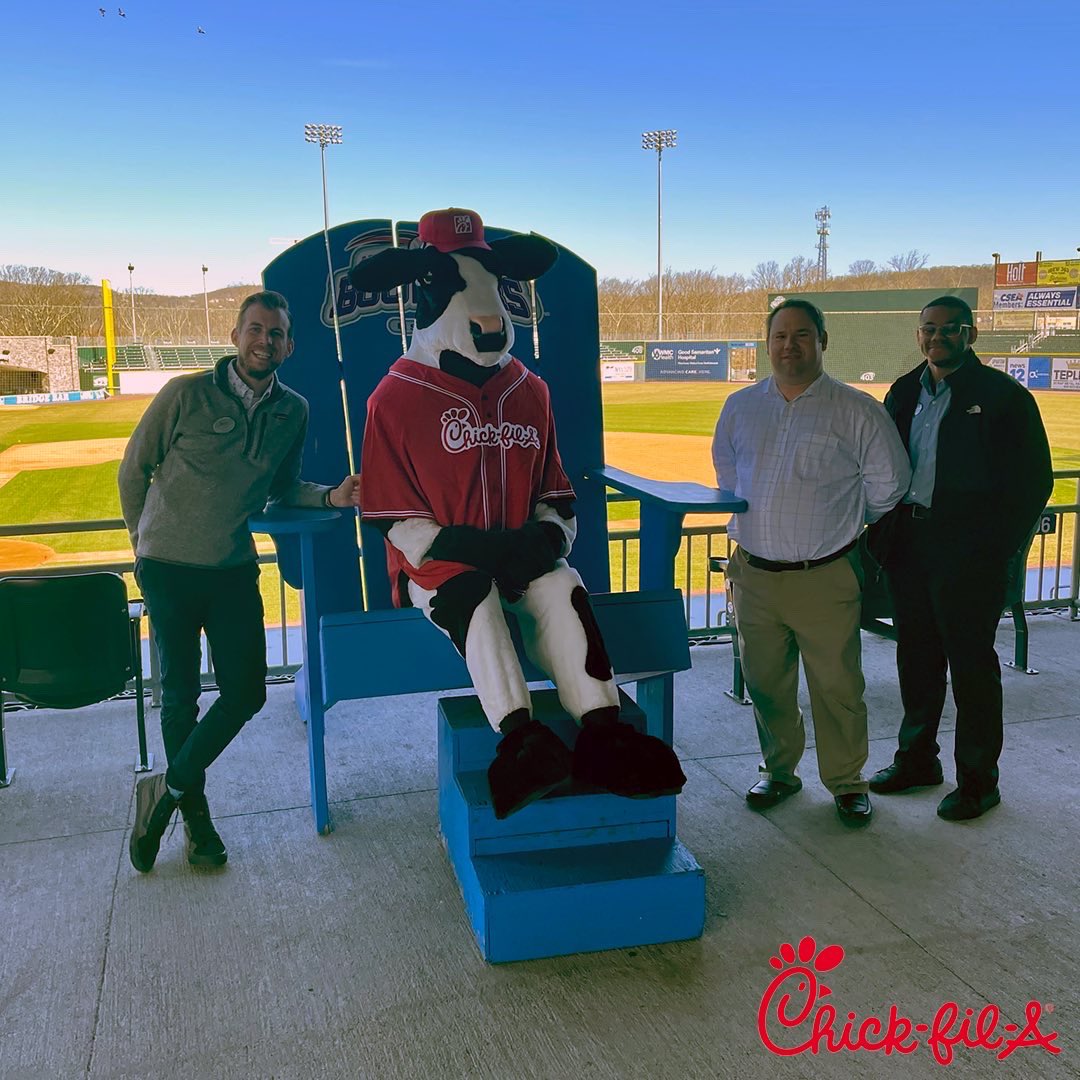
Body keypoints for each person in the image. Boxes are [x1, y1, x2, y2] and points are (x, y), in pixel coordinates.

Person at [118, 290, 360, 870]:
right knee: (179, 700)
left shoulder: (293, 411)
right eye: (255, 329)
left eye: (275, 334)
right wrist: (141, 546)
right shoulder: (184, 394)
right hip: (168, 570)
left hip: (230, 570)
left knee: (247, 692)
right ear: (234, 336)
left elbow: (283, 489)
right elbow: (134, 469)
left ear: (289, 345)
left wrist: (331, 494)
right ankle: (197, 824)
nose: (264, 341)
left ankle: (163, 792)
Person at [712, 299, 911, 825]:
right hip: (754, 574)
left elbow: (889, 486)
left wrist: (842, 523)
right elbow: (727, 470)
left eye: (802, 335)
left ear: (823, 341)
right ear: (767, 342)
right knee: (764, 684)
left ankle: (847, 782)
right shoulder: (740, 406)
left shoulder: (856, 408)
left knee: (838, 687)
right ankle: (780, 771)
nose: (789, 346)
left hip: (825, 575)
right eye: (780, 336)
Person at [867, 296, 1053, 820]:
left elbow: (1033, 480)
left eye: (951, 329)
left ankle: (978, 782)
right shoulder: (904, 391)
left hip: (969, 556)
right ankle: (917, 762)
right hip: (911, 548)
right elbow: (884, 468)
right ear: (918, 335)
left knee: (971, 668)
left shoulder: (1003, 396)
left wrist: (996, 548)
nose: (938, 337)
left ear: (970, 335)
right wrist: (885, 536)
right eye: (929, 329)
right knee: (917, 661)